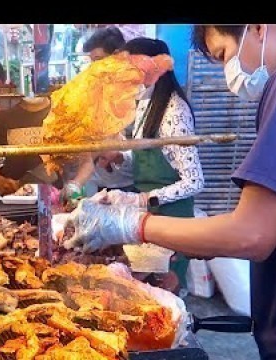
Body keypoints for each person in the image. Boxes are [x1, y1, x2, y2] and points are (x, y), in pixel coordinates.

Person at [66, 25, 276, 360]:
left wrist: (130, 223)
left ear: (257, 28)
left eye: (224, 54)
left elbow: (252, 234)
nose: (229, 77)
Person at [93, 38, 205, 293]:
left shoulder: (174, 111)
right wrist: (120, 158)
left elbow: (195, 180)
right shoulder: (146, 104)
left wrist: (147, 199)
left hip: (173, 220)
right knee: (142, 292)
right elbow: (149, 158)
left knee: (165, 295)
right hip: (150, 218)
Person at [61, 26, 133, 205]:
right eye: (92, 61)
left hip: (132, 187)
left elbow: (148, 150)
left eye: (99, 60)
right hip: (99, 186)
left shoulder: (137, 93)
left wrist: (117, 152)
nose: (94, 68)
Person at [0, 96, 51, 196]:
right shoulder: (3, 118)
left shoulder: (62, 114)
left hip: (56, 197)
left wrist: (75, 183)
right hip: (16, 197)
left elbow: (78, 155)